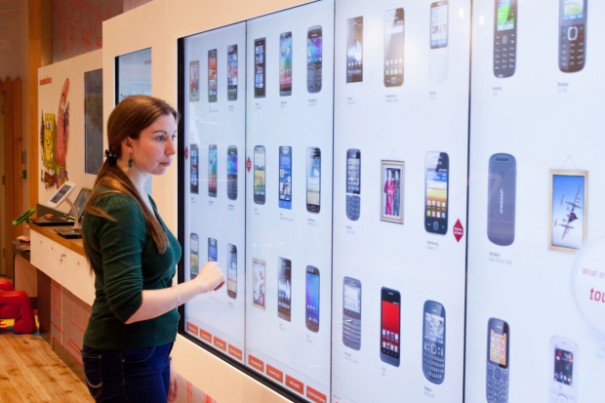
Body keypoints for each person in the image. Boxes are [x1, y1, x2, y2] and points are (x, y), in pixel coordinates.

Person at [80, 95, 224, 403]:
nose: (171, 149)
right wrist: (200, 285)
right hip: (125, 358)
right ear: (127, 143)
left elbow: (151, 283)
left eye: (173, 136)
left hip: (141, 355)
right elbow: (129, 305)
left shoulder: (136, 195)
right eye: (160, 138)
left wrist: (161, 357)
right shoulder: (120, 205)